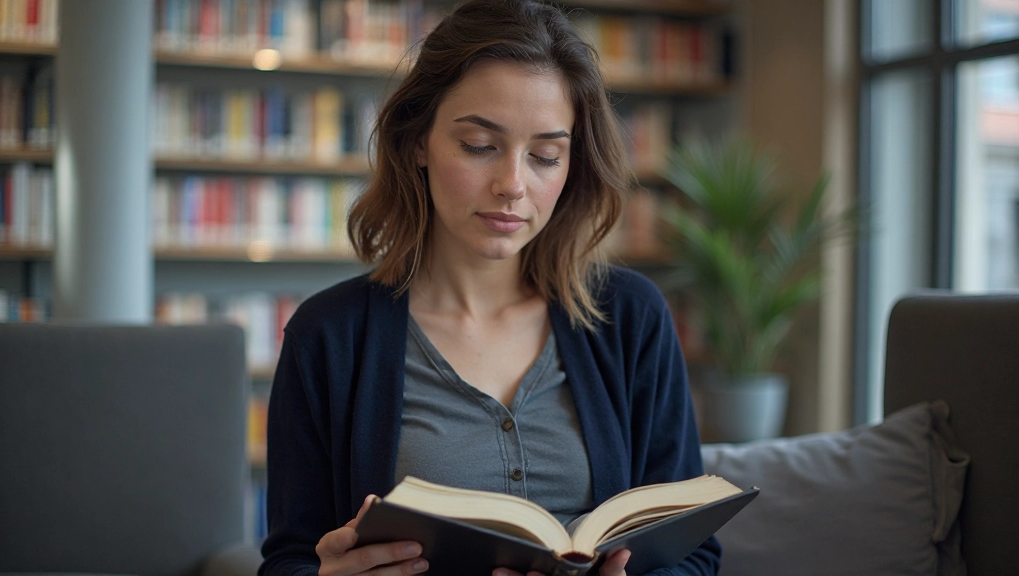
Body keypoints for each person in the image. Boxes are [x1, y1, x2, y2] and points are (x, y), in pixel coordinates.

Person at [258, 0, 720, 575]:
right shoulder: (328, 335)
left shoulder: (629, 316)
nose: (512, 185)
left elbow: (694, 552)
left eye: (546, 156)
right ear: (417, 142)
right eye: (479, 146)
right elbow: (288, 560)